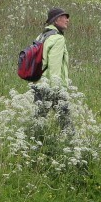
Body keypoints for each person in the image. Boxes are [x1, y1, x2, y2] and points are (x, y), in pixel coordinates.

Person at [31, 8, 73, 136]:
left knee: (38, 121)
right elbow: (54, 66)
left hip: (39, 84)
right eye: (64, 17)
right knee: (66, 126)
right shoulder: (58, 39)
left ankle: (33, 143)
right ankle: (69, 146)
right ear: (56, 20)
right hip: (52, 87)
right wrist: (56, 90)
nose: (67, 20)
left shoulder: (42, 35)